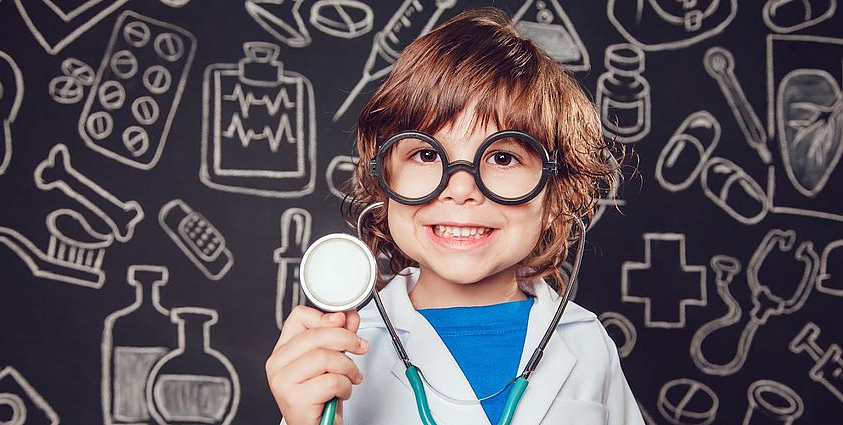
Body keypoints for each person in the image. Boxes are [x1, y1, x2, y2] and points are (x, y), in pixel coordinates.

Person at [265, 7, 645, 425]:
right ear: (382, 178)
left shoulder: (588, 344)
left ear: (555, 194)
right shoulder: (339, 354)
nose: (461, 189)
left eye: (502, 157)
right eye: (426, 154)